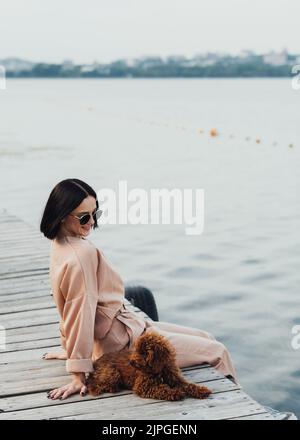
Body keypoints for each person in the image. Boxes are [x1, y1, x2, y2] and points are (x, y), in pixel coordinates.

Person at [40, 178, 238, 400]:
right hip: (124, 343)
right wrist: (78, 370)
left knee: (206, 336)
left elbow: (65, 304)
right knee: (218, 352)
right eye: (84, 217)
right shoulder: (82, 254)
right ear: (63, 215)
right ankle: (237, 408)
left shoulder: (60, 244)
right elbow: (80, 310)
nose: (92, 222)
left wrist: (69, 349)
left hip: (128, 328)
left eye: (96, 214)